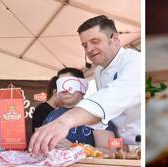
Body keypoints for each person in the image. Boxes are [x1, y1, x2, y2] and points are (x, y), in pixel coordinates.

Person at [29, 15, 140, 154]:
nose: (89, 49)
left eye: (95, 41)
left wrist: (65, 121)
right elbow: (106, 115)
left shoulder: (136, 62)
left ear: (115, 39)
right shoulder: (99, 71)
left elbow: (113, 97)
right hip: (122, 146)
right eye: (85, 45)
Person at [42, 67, 116, 148]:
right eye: (60, 85)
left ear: (82, 85)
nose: (64, 90)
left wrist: (73, 147)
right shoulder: (51, 116)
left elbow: (109, 152)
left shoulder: (97, 114)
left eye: (70, 84)